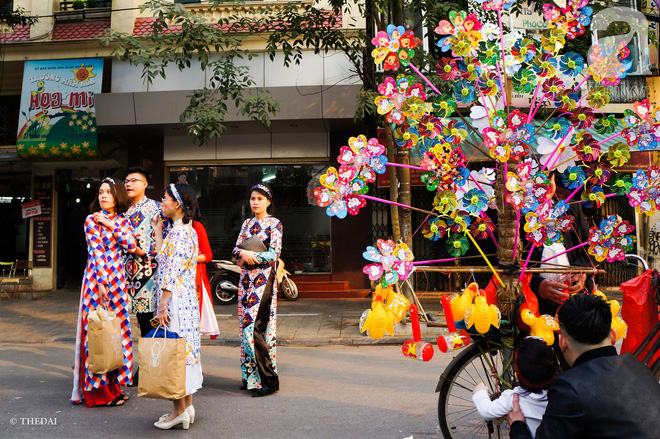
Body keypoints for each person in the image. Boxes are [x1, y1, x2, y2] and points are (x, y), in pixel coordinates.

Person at [507, 294, 660, 439]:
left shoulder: (569, 388)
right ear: (613, 336)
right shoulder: (641, 368)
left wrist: (517, 425)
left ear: (562, 342)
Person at [71, 177, 139, 407]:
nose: (103, 196)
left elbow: (132, 245)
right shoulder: (91, 220)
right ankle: (99, 393)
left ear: (117, 195)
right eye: (100, 192)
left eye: (108, 192)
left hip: (119, 281)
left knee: (115, 333)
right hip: (96, 280)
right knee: (97, 331)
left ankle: (115, 387)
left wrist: (112, 226)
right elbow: (96, 251)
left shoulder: (121, 220)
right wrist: (101, 282)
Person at [152, 183, 202, 430]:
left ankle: (178, 412)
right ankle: (187, 408)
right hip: (186, 300)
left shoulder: (181, 233)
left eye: (165, 198)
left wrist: (162, 305)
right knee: (186, 350)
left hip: (176, 301)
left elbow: (170, 271)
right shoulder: (182, 230)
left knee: (174, 352)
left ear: (178, 204)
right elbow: (165, 260)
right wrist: (158, 231)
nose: (162, 202)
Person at [233, 183, 282, 397]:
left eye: (260, 199)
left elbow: (274, 254)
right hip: (245, 282)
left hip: (263, 282)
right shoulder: (246, 223)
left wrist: (251, 257)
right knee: (245, 330)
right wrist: (241, 255)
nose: (255, 202)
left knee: (256, 329)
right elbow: (235, 248)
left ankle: (270, 381)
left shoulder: (274, 224)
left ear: (268, 201)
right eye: (253, 198)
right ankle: (250, 377)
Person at [529, 172, 595, 316]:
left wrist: (582, 274)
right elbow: (509, 266)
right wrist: (537, 285)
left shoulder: (572, 209)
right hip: (535, 306)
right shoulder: (519, 218)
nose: (545, 185)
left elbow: (593, 248)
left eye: (548, 178)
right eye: (538, 179)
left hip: (576, 301)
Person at [472, 337, 557, 438]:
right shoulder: (559, 394)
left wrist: (480, 392)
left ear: (517, 376)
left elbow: (486, 411)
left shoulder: (513, 397)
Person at [123, 166, 168, 337]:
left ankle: (148, 362)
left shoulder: (157, 208)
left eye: (134, 181)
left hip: (149, 272)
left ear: (145, 184)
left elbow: (164, 239)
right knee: (119, 320)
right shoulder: (120, 210)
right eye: (126, 181)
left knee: (146, 320)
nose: (129, 184)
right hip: (122, 271)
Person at [189, 193, 220, 338]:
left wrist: (188, 259)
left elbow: (208, 255)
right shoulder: (168, 226)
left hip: (194, 276)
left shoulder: (197, 226)